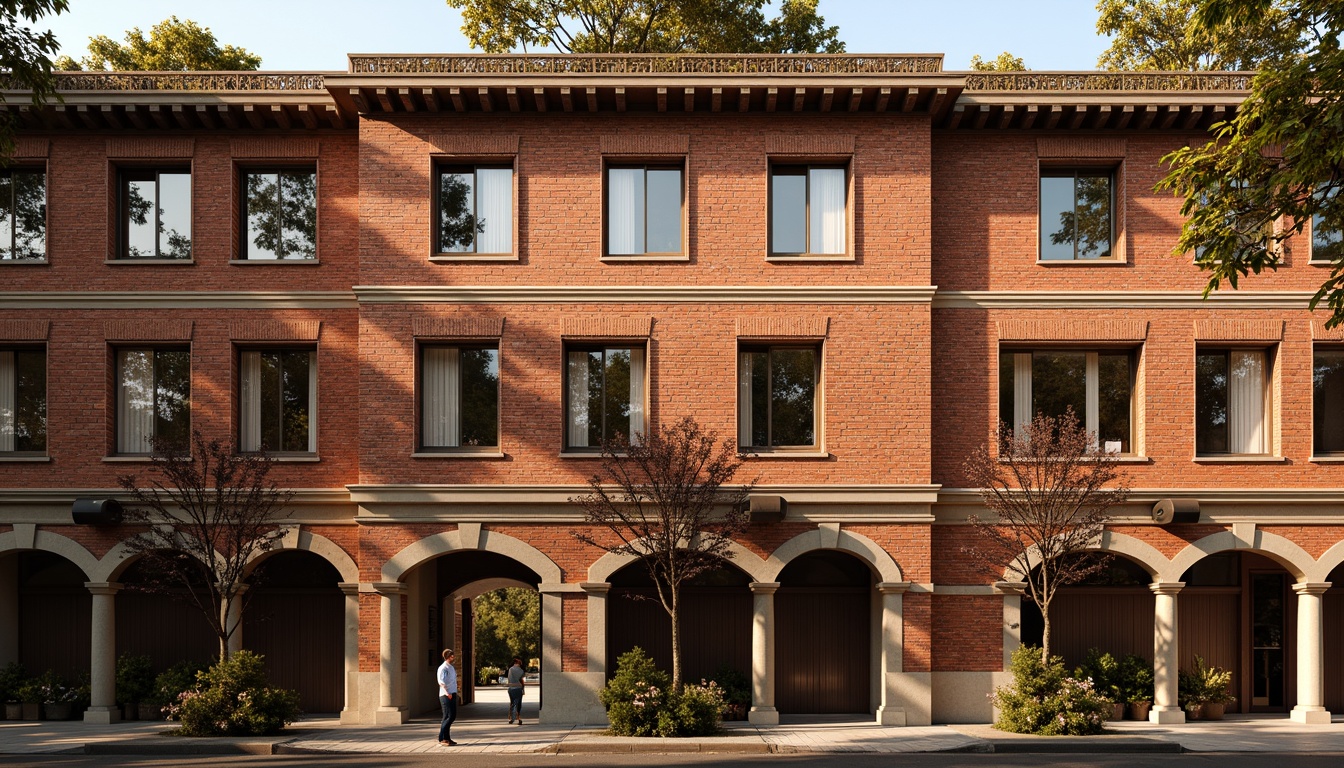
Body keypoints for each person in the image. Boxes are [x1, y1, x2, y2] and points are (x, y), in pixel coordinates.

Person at [437, 648, 458, 746]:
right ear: (447, 657)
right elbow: (441, 682)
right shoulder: (443, 668)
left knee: (450, 716)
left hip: (452, 693)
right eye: (451, 656)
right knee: (449, 716)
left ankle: (447, 737)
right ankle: (442, 738)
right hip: (446, 694)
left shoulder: (450, 667)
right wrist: (447, 693)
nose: (453, 657)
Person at [506, 657, 525, 725]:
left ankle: (511, 718)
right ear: (518, 663)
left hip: (511, 689)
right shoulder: (521, 671)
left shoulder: (510, 669)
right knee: (518, 703)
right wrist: (523, 689)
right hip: (518, 688)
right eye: (520, 663)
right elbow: (521, 681)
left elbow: (509, 679)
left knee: (512, 703)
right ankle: (518, 718)